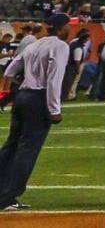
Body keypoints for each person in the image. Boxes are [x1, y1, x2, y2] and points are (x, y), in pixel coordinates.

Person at [0, 13, 71, 212]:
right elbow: (54, 79)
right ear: (60, 28)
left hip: (22, 96)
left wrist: (21, 85)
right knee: (27, 150)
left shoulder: (33, 44)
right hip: (38, 100)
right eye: (67, 25)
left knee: (11, 145)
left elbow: (9, 71)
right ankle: (8, 196)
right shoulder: (60, 46)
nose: (69, 29)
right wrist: (55, 109)